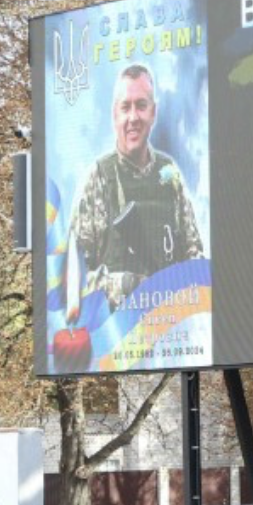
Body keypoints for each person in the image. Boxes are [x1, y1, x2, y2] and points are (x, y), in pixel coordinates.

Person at [69, 63, 204, 317]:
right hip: (117, 342)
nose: (133, 118)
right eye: (125, 107)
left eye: (141, 106)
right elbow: (72, 280)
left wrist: (177, 289)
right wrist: (127, 285)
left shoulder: (169, 173)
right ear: (114, 115)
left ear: (153, 112)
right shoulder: (97, 178)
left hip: (171, 338)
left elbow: (194, 256)